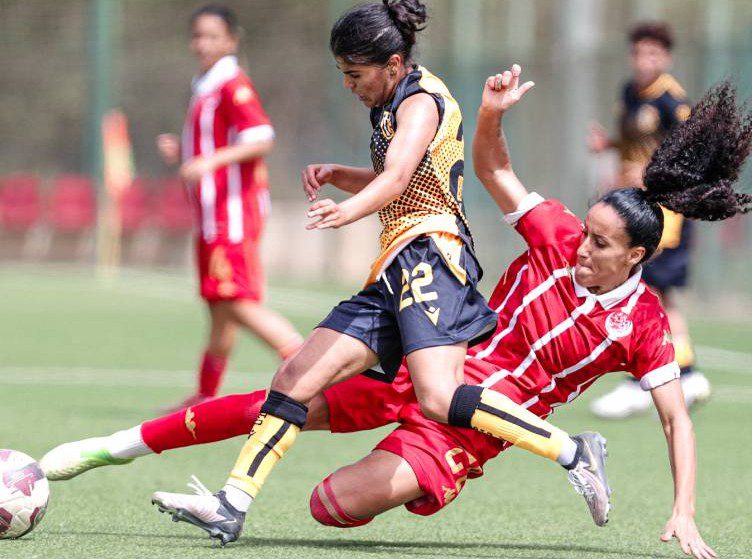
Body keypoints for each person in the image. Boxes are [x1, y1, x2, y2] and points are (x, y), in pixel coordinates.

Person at [43, 67, 750, 558]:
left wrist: (683, 508)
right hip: (429, 352)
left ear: (634, 256)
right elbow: (495, 170)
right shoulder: (558, 233)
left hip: (472, 428)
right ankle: (115, 447)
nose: (581, 249)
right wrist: (493, 113)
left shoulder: (646, 325)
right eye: (585, 233)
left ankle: (565, 450)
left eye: (599, 244)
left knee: (330, 505)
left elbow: (675, 419)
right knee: (283, 398)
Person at [156, 4, 303, 411]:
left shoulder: (232, 85)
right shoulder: (206, 87)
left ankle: (309, 365)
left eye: (212, 36)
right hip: (211, 215)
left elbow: (261, 137)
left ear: (232, 41)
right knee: (219, 306)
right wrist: (185, 150)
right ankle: (205, 395)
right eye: (197, 35)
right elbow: (217, 142)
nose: (202, 44)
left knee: (236, 300)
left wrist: (209, 160)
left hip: (231, 215)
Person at [587, 21, 709, 419]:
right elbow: (634, 144)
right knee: (655, 293)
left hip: (666, 213)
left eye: (653, 54)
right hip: (638, 208)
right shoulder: (630, 93)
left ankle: (645, 378)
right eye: (639, 53)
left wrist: (654, 174)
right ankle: (685, 373)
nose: (644, 61)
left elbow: (693, 157)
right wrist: (609, 146)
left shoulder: (673, 103)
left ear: (667, 58)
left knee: (645, 290)